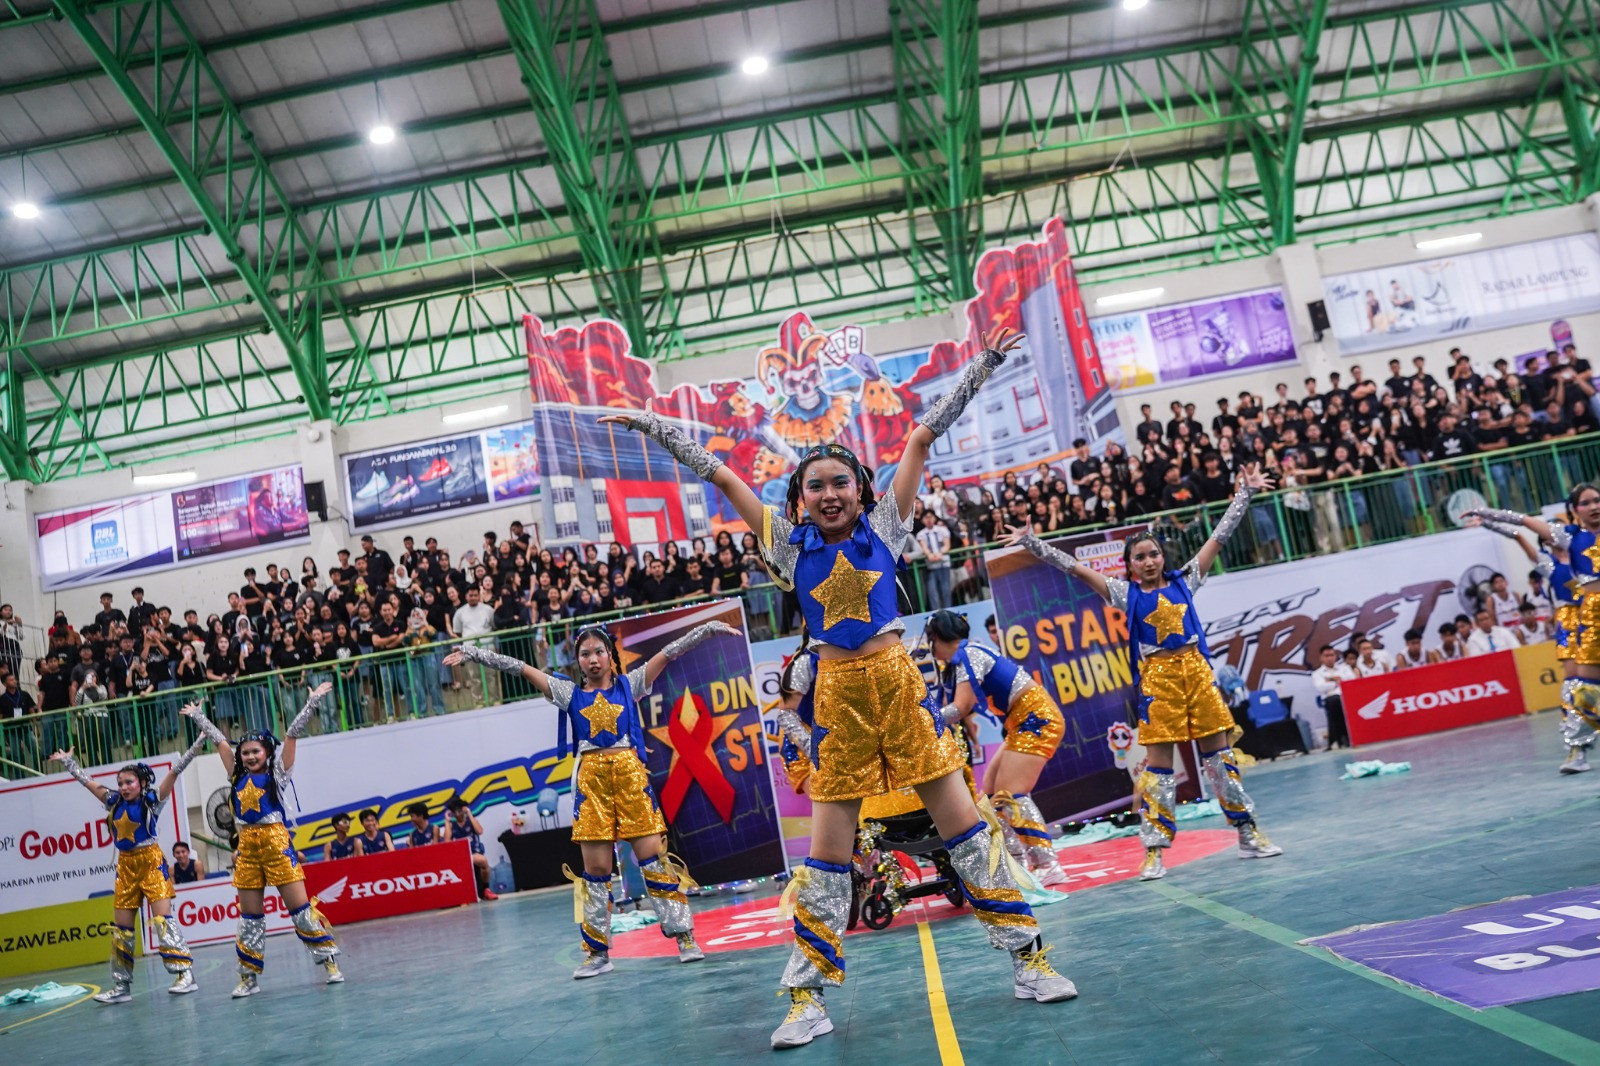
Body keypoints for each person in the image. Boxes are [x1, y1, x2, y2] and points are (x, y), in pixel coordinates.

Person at [600, 326, 1076, 1048]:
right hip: (838, 702)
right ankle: (805, 1000)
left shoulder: (886, 529)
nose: (828, 494)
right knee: (825, 866)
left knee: (969, 837)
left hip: (901, 691)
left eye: (839, 483)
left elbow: (919, 439)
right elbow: (723, 478)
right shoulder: (788, 548)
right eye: (815, 486)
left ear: (861, 490)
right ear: (799, 498)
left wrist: (981, 364)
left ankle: (1030, 961)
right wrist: (653, 425)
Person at [1004, 463, 1284, 882]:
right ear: (1130, 565)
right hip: (1158, 681)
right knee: (1158, 771)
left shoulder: (1187, 579)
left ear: (1163, 556)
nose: (1149, 561)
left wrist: (1244, 494)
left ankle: (1248, 833)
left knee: (1220, 760)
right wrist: (1033, 543)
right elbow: (1075, 568)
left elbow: (1219, 537)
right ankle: (1154, 851)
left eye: (1154, 554)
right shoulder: (1124, 593)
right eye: (1140, 557)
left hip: (1197, 674)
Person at [446, 619, 735, 976]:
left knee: (654, 861)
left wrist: (708, 629)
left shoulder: (631, 684)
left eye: (599, 651)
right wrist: (473, 653)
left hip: (630, 781)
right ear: (578, 660)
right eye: (585, 654)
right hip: (591, 786)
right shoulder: (568, 693)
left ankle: (685, 937)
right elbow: (519, 667)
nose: (593, 659)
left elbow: (670, 652)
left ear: (610, 655)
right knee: (596, 872)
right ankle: (597, 954)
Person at [181, 683, 343, 997]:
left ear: (267, 752)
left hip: (276, 844)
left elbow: (292, 735)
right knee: (250, 918)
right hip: (247, 849)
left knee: (300, 910)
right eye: (245, 752)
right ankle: (248, 978)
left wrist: (310, 703)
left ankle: (329, 962)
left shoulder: (277, 775)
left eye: (256, 751)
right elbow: (220, 741)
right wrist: (199, 716)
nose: (251, 756)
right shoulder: (236, 775)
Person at [52, 730, 210, 1002]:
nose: (124, 787)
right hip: (125, 867)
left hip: (151, 863)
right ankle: (121, 987)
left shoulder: (152, 801)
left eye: (129, 782)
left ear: (141, 782)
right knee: (122, 930)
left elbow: (175, 772)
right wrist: (69, 762)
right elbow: (88, 783)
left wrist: (197, 744)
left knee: (163, 922)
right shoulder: (113, 801)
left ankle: (185, 975)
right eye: (120, 783)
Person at [923, 610, 1068, 886]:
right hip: (1020, 723)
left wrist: (923, 721)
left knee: (1010, 794)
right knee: (990, 797)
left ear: (937, 638)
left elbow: (961, 707)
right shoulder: (965, 656)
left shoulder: (968, 655)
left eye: (930, 641)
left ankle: (1047, 863)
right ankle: (1016, 861)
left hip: (1036, 720)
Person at [443, 795, 499, 900]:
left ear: (463, 809)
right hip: (459, 855)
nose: (457, 814)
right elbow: (446, 841)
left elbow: (480, 831)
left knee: (483, 861)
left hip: (474, 852)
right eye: (454, 812)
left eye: (459, 810)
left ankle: (486, 890)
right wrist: (446, 821)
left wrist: (469, 813)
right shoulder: (451, 825)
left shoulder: (471, 821)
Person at [1309, 644, 1356, 748]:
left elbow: (1352, 680)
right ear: (1321, 658)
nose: (1330, 658)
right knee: (1335, 701)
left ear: (1335, 656)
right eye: (1327, 656)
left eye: (1332, 655)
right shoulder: (1317, 673)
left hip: (1347, 696)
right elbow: (1321, 687)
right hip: (1330, 699)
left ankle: (1339, 737)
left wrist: (1330, 680)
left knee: (1343, 701)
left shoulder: (1345, 668)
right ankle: (1344, 736)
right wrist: (1338, 681)